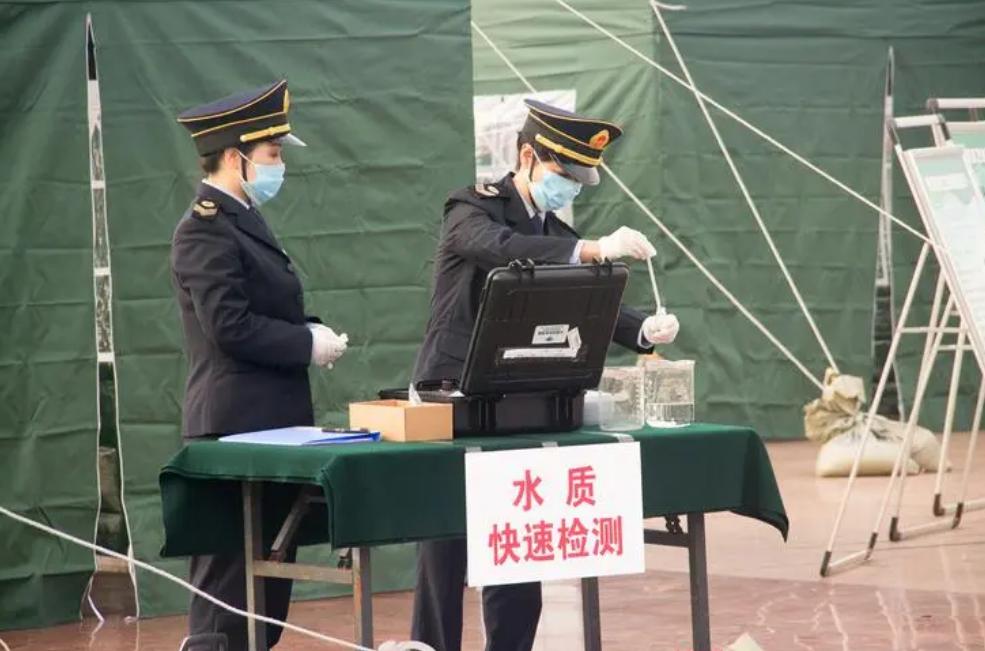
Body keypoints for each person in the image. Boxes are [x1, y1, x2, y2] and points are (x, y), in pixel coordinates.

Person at [410, 100, 679, 651]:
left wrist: (642, 331)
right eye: (564, 176)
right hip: (451, 394)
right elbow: (504, 251)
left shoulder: (550, 227)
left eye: (581, 182)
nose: (572, 190)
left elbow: (575, 303)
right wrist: (593, 248)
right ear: (528, 156)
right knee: (447, 545)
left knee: (514, 540)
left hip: (515, 399)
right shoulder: (471, 208)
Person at [170, 79, 348, 650]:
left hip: (270, 427)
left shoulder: (242, 217)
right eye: (271, 155)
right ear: (233, 156)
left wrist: (311, 329)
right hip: (233, 429)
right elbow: (229, 326)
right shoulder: (203, 227)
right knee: (228, 598)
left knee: (266, 600)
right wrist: (303, 343)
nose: (278, 167)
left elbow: (264, 306)